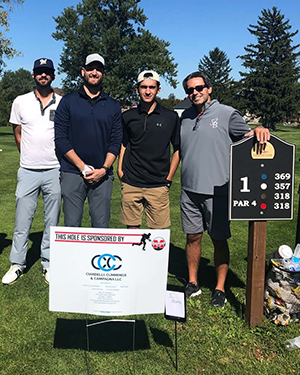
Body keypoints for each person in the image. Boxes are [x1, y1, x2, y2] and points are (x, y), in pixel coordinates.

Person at [180, 71, 270, 307]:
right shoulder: (186, 117)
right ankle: (192, 282)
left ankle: (220, 288)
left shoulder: (227, 113)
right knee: (192, 236)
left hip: (217, 190)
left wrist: (260, 129)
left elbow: (248, 136)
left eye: (199, 88)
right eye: (189, 90)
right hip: (189, 190)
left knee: (219, 239)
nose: (194, 93)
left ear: (209, 88)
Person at [2, 58, 62, 285]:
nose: (43, 75)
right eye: (39, 72)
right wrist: (27, 154)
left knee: (52, 220)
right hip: (28, 169)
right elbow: (18, 133)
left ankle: (48, 262)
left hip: (54, 169)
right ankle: (17, 263)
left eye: (47, 72)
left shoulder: (62, 102)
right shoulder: (20, 101)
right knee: (22, 219)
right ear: (33, 75)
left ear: (53, 76)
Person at [54, 53, 122, 228]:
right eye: (90, 68)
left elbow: (115, 142)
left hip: (103, 175)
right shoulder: (68, 101)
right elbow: (61, 139)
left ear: (103, 74)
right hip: (72, 172)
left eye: (99, 69)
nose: (94, 72)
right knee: (71, 225)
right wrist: (82, 167)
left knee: (101, 227)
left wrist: (104, 169)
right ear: (83, 72)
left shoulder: (113, 105)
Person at [118, 70, 180, 229]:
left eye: (152, 87)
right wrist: (120, 170)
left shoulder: (170, 117)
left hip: (158, 184)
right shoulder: (128, 116)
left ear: (158, 89)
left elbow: (178, 149)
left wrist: (169, 178)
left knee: (157, 236)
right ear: (137, 89)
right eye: (143, 87)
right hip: (132, 182)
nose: (147, 91)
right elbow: (124, 143)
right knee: (132, 233)